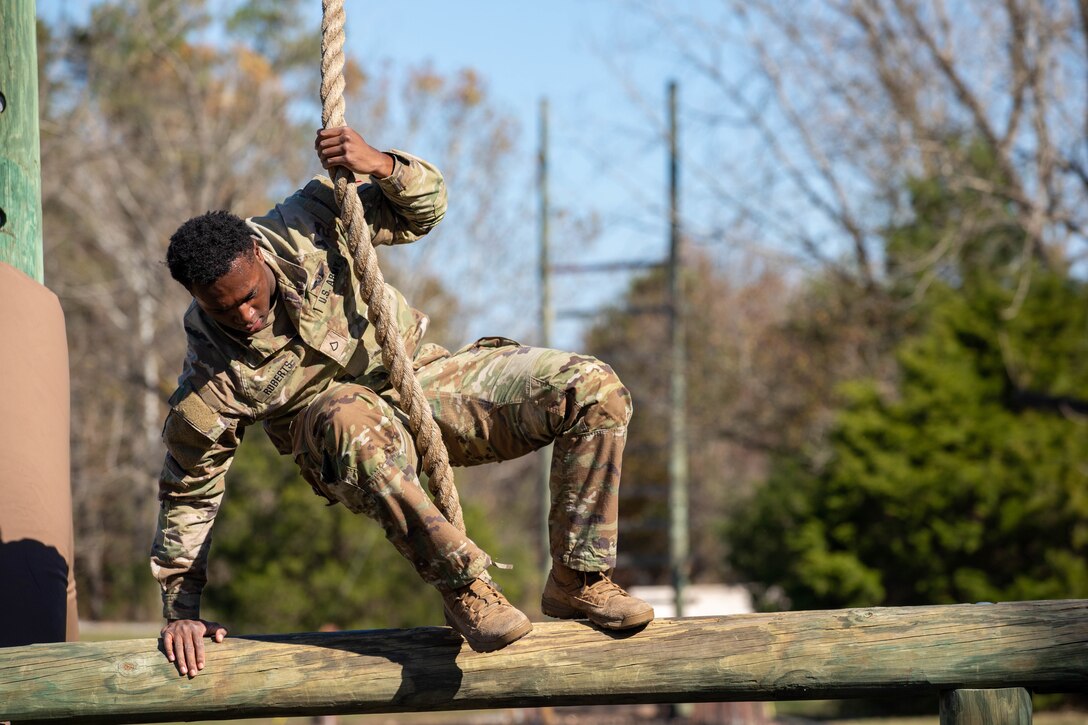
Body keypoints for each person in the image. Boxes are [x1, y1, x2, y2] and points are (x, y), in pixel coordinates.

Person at [152, 126, 654, 677]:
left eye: (250, 297)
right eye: (225, 311)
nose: (245, 317)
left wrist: (382, 165)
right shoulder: (211, 376)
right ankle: (467, 590)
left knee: (591, 387)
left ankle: (579, 578)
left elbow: (426, 210)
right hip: (347, 444)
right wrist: (182, 612)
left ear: (256, 251)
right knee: (346, 412)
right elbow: (189, 489)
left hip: (424, 380)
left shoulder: (311, 218)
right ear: (198, 299)